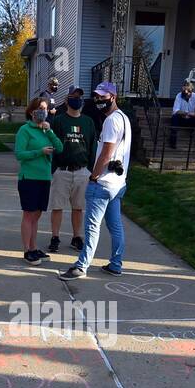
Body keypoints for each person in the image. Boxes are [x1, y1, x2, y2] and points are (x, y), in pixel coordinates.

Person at [59, 81, 130, 280]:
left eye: (103, 97)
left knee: (92, 227)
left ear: (113, 97)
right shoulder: (124, 118)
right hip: (118, 183)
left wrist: (94, 176)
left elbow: (106, 154)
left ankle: (81, 266)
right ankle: (116, 264)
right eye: (97, 97)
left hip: (104, 183)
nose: (99, 100)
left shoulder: (111, 121)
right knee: (115, 226)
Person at [15, 96, 64, 265]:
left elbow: (60, 147)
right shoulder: (25, 130)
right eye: (40, 108)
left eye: (45, 108)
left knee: (36, 215)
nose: (43, 111)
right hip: (29, 178)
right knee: (29, 214)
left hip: (44, 177)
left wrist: (49, 130)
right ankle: (27, 250)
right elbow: (19, 154)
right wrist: (40, 151)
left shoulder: (45, 130)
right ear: (31, 111)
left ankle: (34, 247)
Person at [47, 86, 96, 254]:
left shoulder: (88, 122)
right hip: (62, 170)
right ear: (67, 100)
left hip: (82, 171)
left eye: (79, 97)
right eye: (73, 96)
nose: (77, 99)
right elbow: (52, 143)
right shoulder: (59, 121)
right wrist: (54, 169)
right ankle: (55, 237)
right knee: (57, 206)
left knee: (78, 207)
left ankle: (77, 237)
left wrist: (90, 170)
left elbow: (92, 147)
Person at [168, 79, 195, 149]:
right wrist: (185, 113)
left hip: (191, 119)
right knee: (174, 117)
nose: (185, 94)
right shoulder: (179, 96)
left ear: (191, 92)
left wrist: (194, 114)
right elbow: (175, 111)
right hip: (182, 118)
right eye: (184, 92)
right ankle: (172, 142)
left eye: (187, 93)